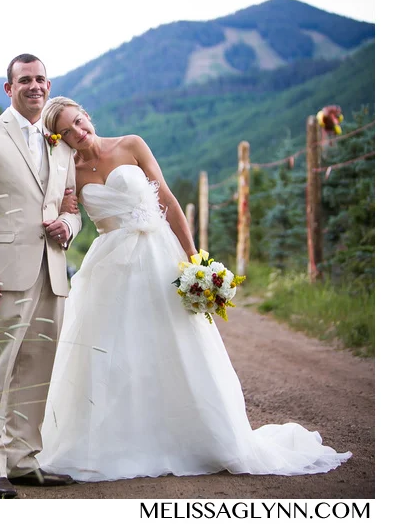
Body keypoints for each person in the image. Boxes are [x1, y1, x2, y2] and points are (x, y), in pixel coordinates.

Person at [36, 96, 351, 481]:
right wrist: (65, 214)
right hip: (108, 263)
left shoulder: (130, 144)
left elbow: (166, 200)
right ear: (59, 137)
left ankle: (197, 436)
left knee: (175, 341)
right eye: (67, 131)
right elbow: (67, 211)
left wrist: (194, 257)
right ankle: (115, 440)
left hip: (157, 254)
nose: (79, 133)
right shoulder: (68, 169)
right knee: (111, 348)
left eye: (80, 122)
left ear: (88, 115)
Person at [0, 55, 83, 498]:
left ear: (49, 86)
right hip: (3, 274)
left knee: (37, 370)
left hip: (52, 270)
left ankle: (24, 460)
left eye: (41, 79)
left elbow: (70, 206)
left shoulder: (60, 145)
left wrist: (70, 227)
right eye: (25, 80)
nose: (35, 86)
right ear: (9, 89)